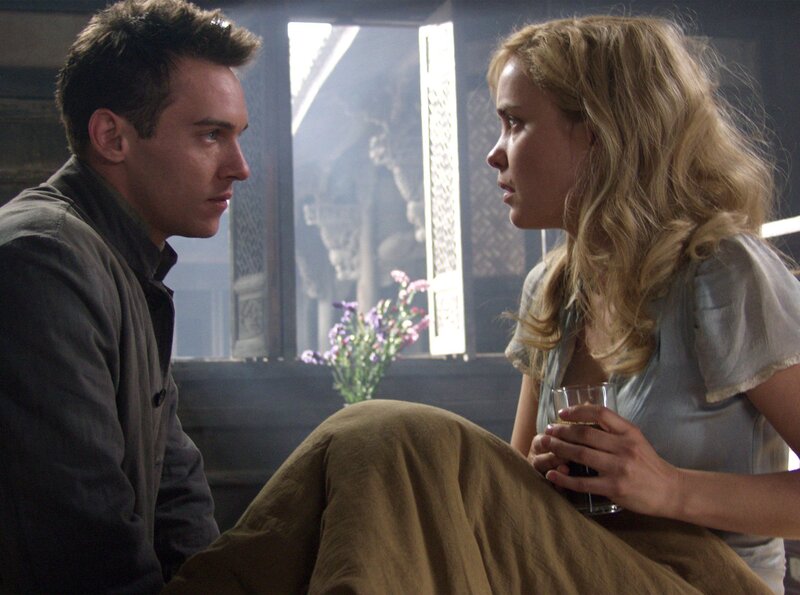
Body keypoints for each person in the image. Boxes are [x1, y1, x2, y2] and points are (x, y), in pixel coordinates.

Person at [164, 15, 798, 595]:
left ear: (601, 133)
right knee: (368, 448)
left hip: (704, 578)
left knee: (389, 432)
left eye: (516, 123)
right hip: (574, 566)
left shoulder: (721, 272)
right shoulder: (555, 288)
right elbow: (514, 491)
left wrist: (668, 488)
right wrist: (545, 474)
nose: (494, 152)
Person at [0, 0, 260, 592]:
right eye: (211, 135)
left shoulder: (122, 260)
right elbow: (81, 540)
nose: (239, 167)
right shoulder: (44, 260)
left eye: (237, 136)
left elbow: (176, 492)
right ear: (112, 136)